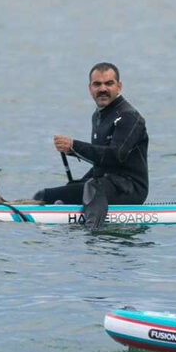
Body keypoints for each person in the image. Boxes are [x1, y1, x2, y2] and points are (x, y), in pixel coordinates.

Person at [33, 62, 149, 229]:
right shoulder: (98, 116)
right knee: (43, 195)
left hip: (131, 189)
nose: (102, 89)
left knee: (92, 186)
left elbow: (115, 156)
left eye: (108, 83)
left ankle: (93, 236)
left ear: (119, 86)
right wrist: (73, 156)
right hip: (104, 183)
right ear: (90, 88)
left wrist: (74, 146)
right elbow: (101, 161)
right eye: (97, 84)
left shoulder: (129, 117)